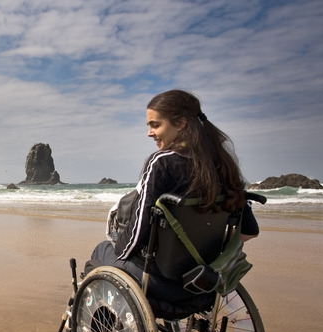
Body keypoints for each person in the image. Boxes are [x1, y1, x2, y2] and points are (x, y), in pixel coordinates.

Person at [89, 89, 259, 319]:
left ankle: (103, 327)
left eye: (155, 125)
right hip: (202, 284)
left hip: (159, 286)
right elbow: (249, 231)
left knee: (103, 250)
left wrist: (119, 250)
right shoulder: (223, 165)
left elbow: (136, 236)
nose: (150, 133)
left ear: (180, 123)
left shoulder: (162, 162)